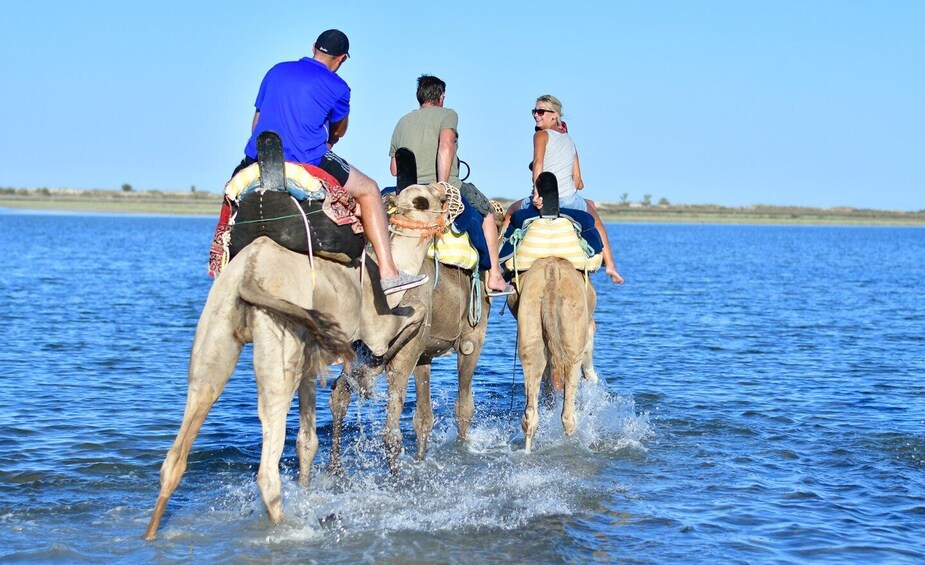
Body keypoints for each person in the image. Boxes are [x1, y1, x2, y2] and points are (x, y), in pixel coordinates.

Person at [236, 29, 427, 295]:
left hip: (258, 155)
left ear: (314, 46)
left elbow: (257, 121)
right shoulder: (338, 87)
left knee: (232, 194)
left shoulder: (275, 70)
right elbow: (337, 132)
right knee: (370, 190)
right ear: (342, 59)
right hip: (307, 156)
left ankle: (225, 259)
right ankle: (389, 273)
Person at [388, 75, 511, 296]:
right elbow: (446, 145)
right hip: (443, 183)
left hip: (406, 189)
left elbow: (395, 169)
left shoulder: (402, 121)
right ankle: (495, 276)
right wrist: (443, 184)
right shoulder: (448, 114)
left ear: (419, 96)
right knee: (488, 214)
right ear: (441, 97)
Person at [504, 95, 623, 284]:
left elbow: (538, 164)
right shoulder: (569, 140)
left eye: (541, 111)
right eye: (534, 111)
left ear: (555, 115)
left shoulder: (540, 135)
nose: (536, 115)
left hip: (546, 197)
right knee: (595, 216)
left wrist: (537, 194)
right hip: (570, 199)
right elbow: (578, 181)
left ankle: (497, 267)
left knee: (510, 211)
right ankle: (610, 266)